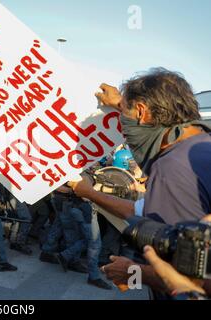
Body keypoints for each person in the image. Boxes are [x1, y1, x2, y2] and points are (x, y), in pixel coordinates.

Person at [69, 68, 211, 296]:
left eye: (125, 118)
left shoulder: (171, 168)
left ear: (143, 112)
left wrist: (134, 273)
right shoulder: (200, 142)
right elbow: (144, 213)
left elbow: (196, 280)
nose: (125, 130)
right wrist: (89, 192)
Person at [40, 184, 112, 290]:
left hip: (71, 203)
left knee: (60, 228)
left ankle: (58, 254)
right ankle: (77, 264)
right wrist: (84, 190)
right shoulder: (73, 173)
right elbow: (62, 187)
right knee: (91, 241)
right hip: (75, 205)